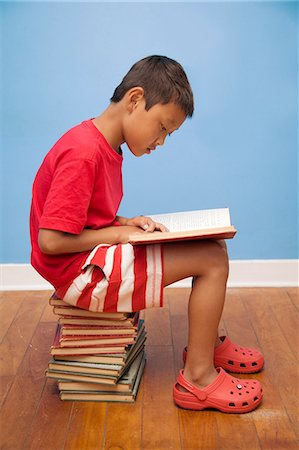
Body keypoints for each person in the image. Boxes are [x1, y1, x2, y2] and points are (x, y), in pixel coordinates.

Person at [30, 55, 264, 413]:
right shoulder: (84, 153)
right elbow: (51, 241)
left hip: (89, 261)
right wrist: (119, 235)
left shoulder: (101, 146)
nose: (162, 141)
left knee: (212, 246)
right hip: (79, 275)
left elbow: (83, 217)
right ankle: (198, 378)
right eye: (162, 128)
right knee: (212, 259)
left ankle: (208, 345)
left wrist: (123, 221)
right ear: (135, 99)